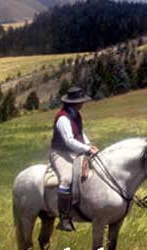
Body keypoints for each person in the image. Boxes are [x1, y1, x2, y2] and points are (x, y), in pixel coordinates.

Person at [50, 86, 99, 231]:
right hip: (61, 153)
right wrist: (87, 149)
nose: (83, 103)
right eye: (81, 101)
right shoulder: (63, 118)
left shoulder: (76, 115)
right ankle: (64, 218)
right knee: (66, 178)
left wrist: (90, 144)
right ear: (75, 102)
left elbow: (81, 133)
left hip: (76, 152)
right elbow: (69, 141)